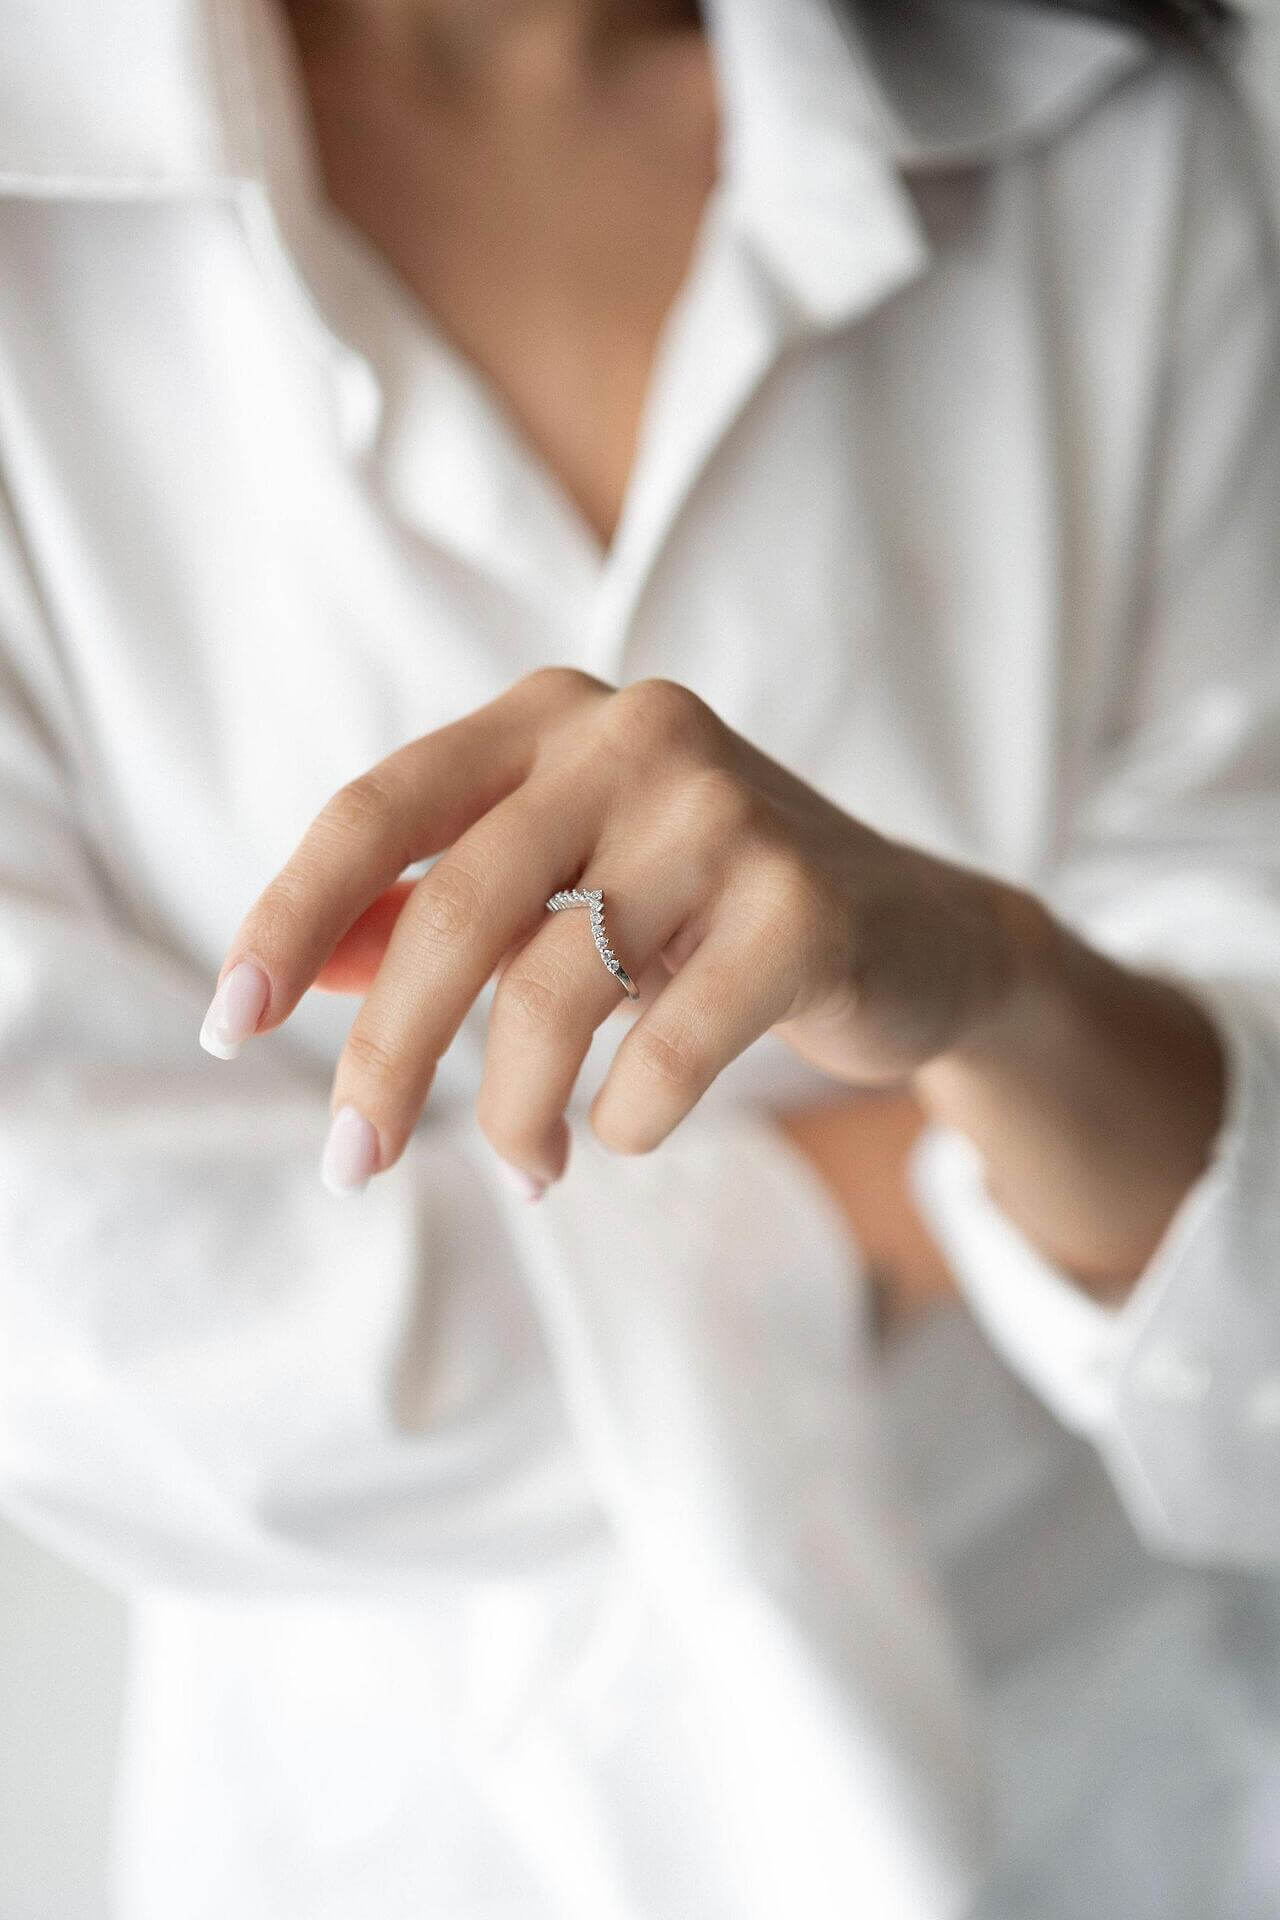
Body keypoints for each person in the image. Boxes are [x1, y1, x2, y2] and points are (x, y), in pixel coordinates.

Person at [1, 0, 1277, 1913]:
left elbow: (1249, 1280)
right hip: (369, 1848)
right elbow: (91, 1331)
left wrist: (991, 977)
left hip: (1099, 1793)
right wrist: (897, 1193)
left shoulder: (1119, 134)